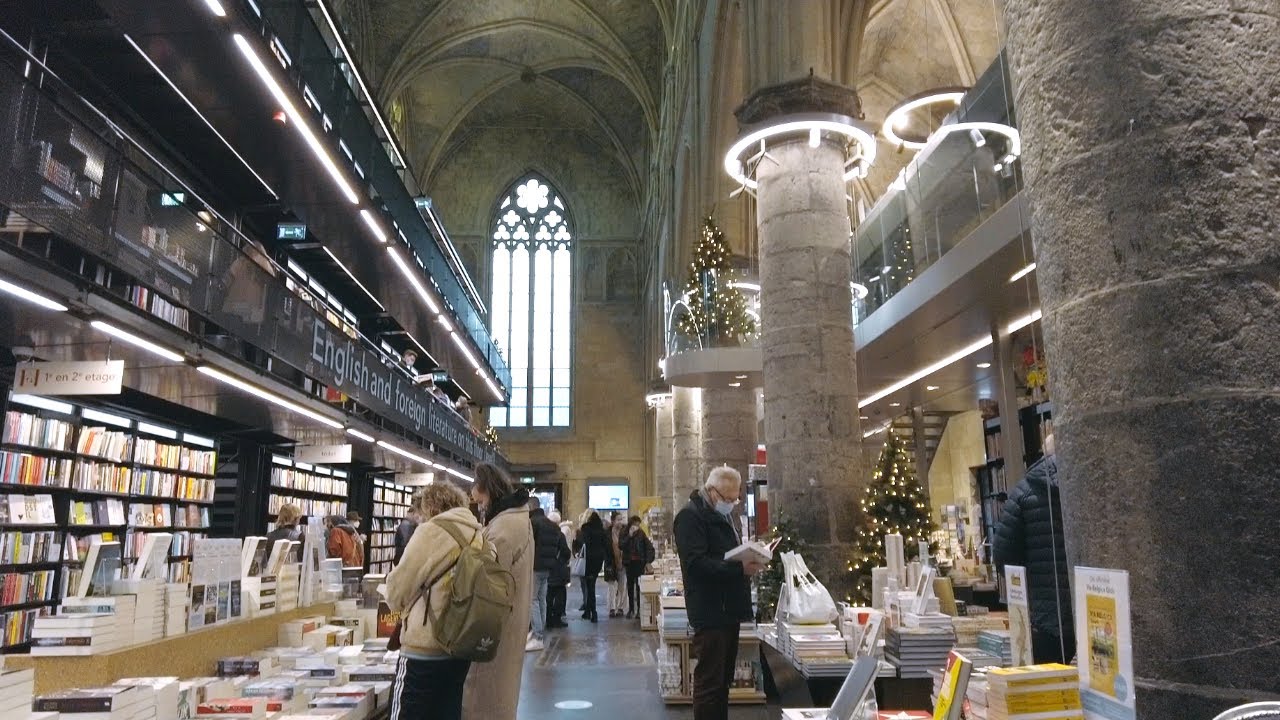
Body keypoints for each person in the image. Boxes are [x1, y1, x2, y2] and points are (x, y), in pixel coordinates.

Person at [674, 466, 767, 720]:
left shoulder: (722, 514)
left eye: (734, 499)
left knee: (723, 681)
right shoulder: (689, 517)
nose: (731, 504)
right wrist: (740, 568)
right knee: (709, 683)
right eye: (727, 499)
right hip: (710, 610)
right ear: (711, 491)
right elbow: (696, 564)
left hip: (728, 609)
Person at [385, 482, 480, 720]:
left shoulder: (430, 531)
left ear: (430, 505)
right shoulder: (478, 533)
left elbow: (397, 591)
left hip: (423, 647)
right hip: (460, 645)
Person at [993, 434, 1075, 664]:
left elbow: (1003, 556)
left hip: (1046, 618)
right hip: (1094, 611)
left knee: (1045, 689)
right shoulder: (1089, 484)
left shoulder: (1023, 492)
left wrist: (1028, 589)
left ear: (1045, 453)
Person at [461, 464, 533, 720]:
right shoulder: (514, 520)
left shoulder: (503, 528)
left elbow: (487, 583)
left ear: (487, 488)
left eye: (477, 494)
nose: (476, 501)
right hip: (509, 624)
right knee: (500, 695)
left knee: (485, 698)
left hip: (494, 631)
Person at [527, 496, 562, 651]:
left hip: (535, 566)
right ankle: (540, 631)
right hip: (548, 568)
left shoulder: (533, 523)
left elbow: (528, 544)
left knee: (532, 600)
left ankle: (537, 635)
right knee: (542, 599)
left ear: (530, 507)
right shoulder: (552, 525)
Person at [572, 510, 609, 623]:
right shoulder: (602, 530)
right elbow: (606, 545)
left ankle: (593, 612)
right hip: (598, 561)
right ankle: (589, 611)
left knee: (589, 587)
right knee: (591, 585)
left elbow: (583, 543)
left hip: (588, 560)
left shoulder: (585, 529)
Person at [620, 515, 655, 619]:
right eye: (636, 524)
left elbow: (649, 547)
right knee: (630, 587)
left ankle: (640, 610)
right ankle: (631, 609)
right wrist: (629, 536)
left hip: (639, 563)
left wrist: (648, 561)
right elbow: (620, 545)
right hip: (629, 563)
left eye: (638, 525)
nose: (637, 526)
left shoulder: (641, 534)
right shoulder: (624, 532)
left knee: (639, 587)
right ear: (631, 524)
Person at [546, 510, 571, 629]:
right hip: (559, 569)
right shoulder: (559, 535)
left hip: (546, 568)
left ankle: (548, 619)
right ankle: (557, 619)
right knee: (560, 595)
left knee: (548, 596)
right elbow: (566, 551)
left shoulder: (543, 533)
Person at [605, 512, 627, 618]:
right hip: (610, 562)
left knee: (622, 586)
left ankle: (621, 608)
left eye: (621, 519)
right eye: (618, 519)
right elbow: (604, 547)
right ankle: (612, 608)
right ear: (613, 521)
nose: (620, 522)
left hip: (623, 562)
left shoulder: (625, 532)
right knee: (611, 586)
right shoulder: (607, 533)